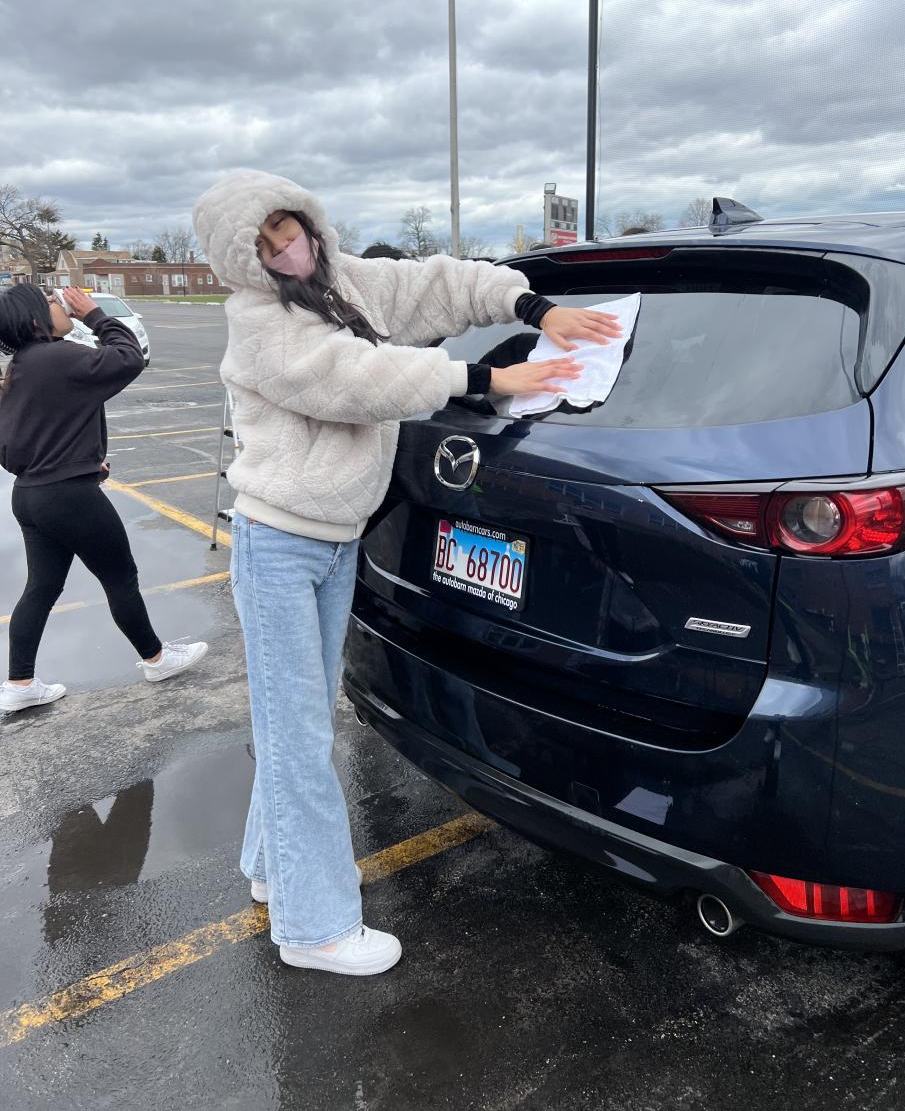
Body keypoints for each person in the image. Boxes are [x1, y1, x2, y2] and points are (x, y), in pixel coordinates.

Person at [192, 170, 622, 977]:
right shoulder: (258, 322)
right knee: (297, 735)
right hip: (278, 542)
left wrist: (534, 308)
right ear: (242, 260)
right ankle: (314, 927)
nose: (289, 250)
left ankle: (275, 869)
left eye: (291, 229)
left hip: (335, 539)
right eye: (267, 245)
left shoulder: (346, 282)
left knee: (297, 723)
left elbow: (438, 284)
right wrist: (484, 379)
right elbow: (355, 379)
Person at [0, 284, 208, 714]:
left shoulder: (19, 368)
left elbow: (16, 447)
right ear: (37, 320)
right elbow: (129, 358)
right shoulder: (57, 358)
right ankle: (157, 659)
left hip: (32, 495)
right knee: (120, 576)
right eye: (52, 301)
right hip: (69, 497)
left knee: (41, 586)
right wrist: (94, 314)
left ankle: (19, 682)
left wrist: (79, 461)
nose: (61, 303)